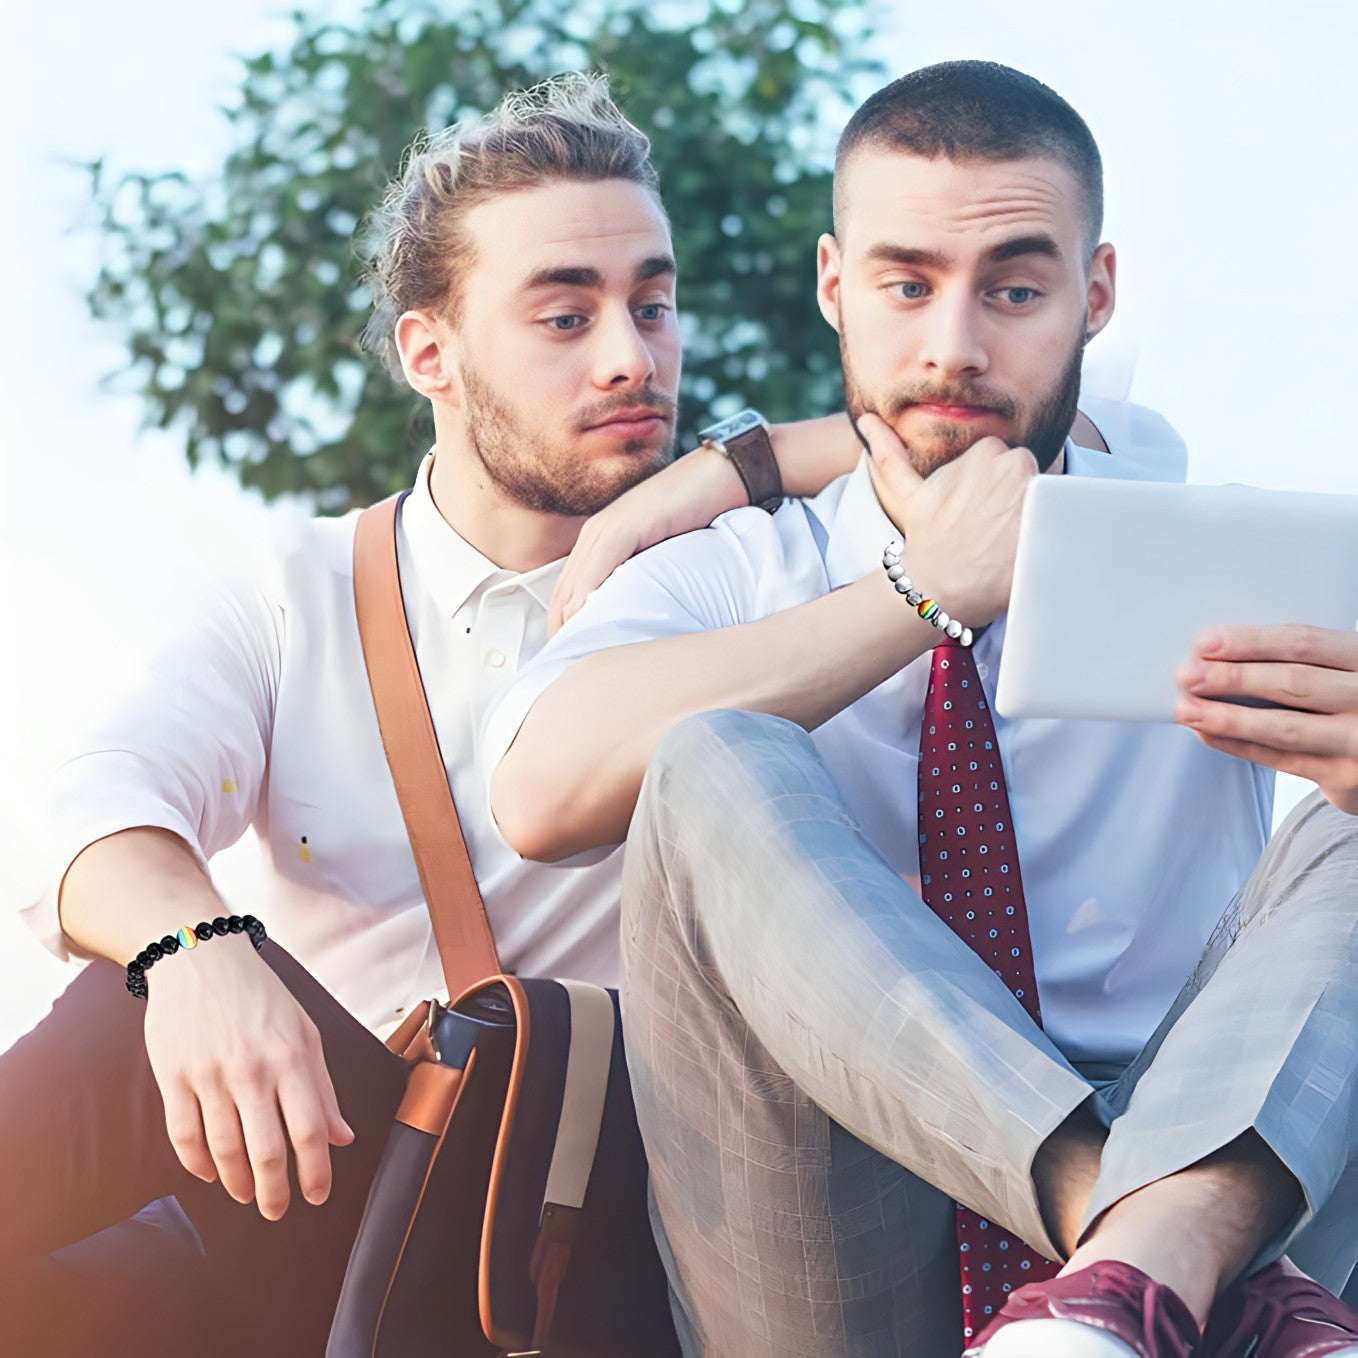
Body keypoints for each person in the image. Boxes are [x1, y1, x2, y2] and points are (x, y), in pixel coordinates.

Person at [486, 62, 1358, 1357]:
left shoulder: (1194, 525)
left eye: (1012, 288)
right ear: (835, 284)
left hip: (1202, 1137)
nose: (953, 343)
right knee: (710, 755)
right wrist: (920, 588)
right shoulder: (740, 566)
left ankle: (1130, 1276)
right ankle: (1121, 1254)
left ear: (1091, 296)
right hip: (822, 1202)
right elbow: (540, 789)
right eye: (905, 285)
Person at [0, 73, 864, 1356]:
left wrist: (754, 462)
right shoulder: (298, 591)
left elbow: (1012, 438)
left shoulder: (768, 580)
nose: (631, 353)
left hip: (619, 1254)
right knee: (79, 1218)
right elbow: (93, 803)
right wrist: (194, 957)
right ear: (429, 354)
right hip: (327, 1214)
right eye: (564, 313)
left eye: (653, 303)